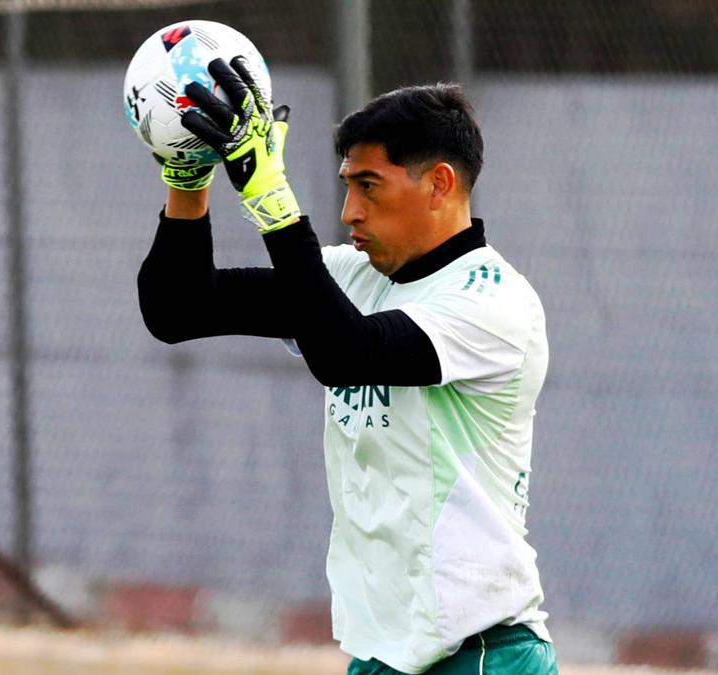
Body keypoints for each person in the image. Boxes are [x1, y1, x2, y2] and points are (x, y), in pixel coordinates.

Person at [137, 56, 557, 675]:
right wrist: (189, 176)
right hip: (384, 653)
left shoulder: (493, 301)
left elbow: (347, 354)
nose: (349, 212)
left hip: (481, 655)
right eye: (347, 186)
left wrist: (269, 196)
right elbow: (178, 309)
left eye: (369, 186)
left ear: (439, 183)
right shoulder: (351, 277)